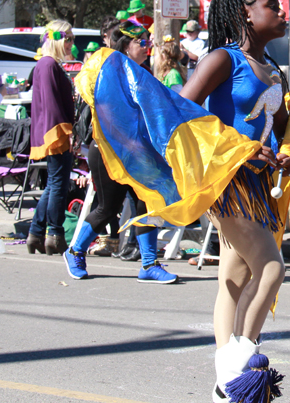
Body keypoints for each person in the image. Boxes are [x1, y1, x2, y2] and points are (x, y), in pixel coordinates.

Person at [180, 0, 290, 403]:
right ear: (246, 12)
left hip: (261, 186)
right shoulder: (222, 60)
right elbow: (183, 112)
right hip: (229, 181)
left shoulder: (273, 68)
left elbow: (282, 122)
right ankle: (241, 373)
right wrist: (242, 148)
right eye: (272, 4)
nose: (281, 11)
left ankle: (221, 385)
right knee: (270, 268)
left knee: (234, 279)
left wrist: (286, 152)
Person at [63, 22, 177, 283]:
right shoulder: (110, 72)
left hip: (135, 152)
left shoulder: (141, 72)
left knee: (146, 202)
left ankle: (149, 264)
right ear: (127, 46)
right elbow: (112, 115)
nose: (147, 47)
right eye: (142, 43)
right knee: (107, 207)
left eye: (149, 43)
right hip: (107, 150)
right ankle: (75, 251)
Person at [26, 20, 76, 256]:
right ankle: (54, 233)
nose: (71, 45)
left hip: (55, 128)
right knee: (58, 184)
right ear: (59, 40)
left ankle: (36, 232)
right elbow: (51, 104)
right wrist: (66, 130)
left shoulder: (48, 65)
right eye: (69, 39)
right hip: (55, 130)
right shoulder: (47, 65)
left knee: (54, 184)